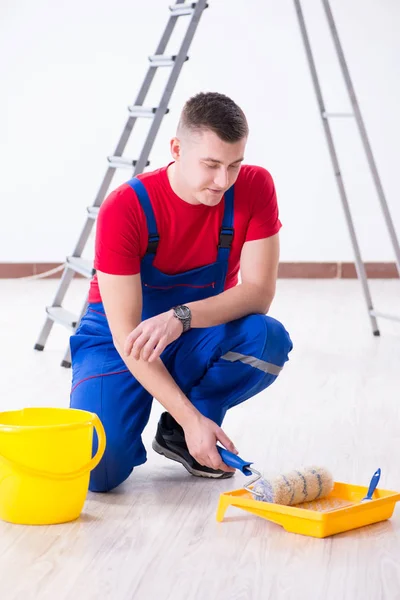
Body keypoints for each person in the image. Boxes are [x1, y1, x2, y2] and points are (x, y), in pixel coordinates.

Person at [69, 91, 293, 493]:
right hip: (119, 339)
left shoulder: (256, 186)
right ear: (176, 149)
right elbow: (126, 335)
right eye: (211, 165)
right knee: (97, 471)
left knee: (267, 338)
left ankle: (179, 433)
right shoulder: (126, 207)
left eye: (234, 165)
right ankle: (182, 419)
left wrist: (180, 318)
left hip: (192, 331)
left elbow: (258, 293)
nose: (223, 181)